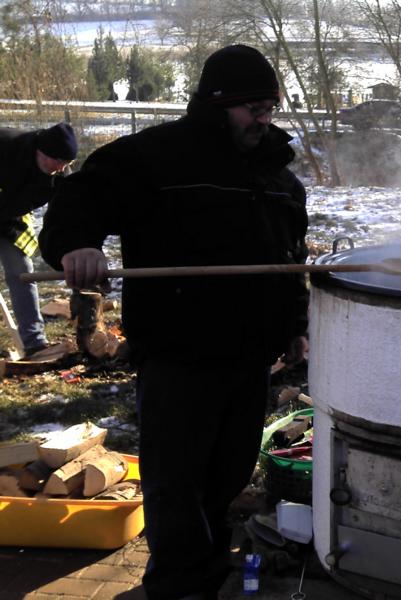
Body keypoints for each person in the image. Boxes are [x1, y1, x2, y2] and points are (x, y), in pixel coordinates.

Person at [39, 44, 309, 600]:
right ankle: (177, 584)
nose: (264, 120)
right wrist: (78, 244)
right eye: (254, 109)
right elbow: (81, 195)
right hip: (179, 352)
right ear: (218, 104)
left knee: (229, 471)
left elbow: (289, 261)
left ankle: (208, 569)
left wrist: (295, 325)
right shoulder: (157, 157)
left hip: (249, 354)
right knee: (176, 479)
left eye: (270, 108)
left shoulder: (278, 178)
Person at [0, 122, 77, 357]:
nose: (60, 167)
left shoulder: (61, 176)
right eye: (58, 161)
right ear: (41, 152)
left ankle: (34, 341)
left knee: (22, 273)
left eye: (66, 163)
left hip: (11, 219)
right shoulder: (8, 146)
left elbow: (65, 216)